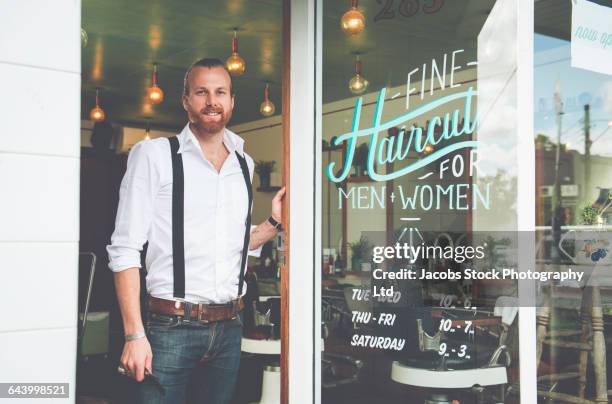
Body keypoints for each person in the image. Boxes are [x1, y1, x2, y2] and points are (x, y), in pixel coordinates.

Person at [106, 57, 285, 403]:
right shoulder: (154, 156)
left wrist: (274, 224)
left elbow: (234, 246)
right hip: (171, 328)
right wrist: (133, 335)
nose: (211, 101)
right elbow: (124, 249)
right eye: (201, 92)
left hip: (230, 326)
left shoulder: (244, 164)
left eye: (220, 92)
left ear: (232, 101)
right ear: (186, 100)